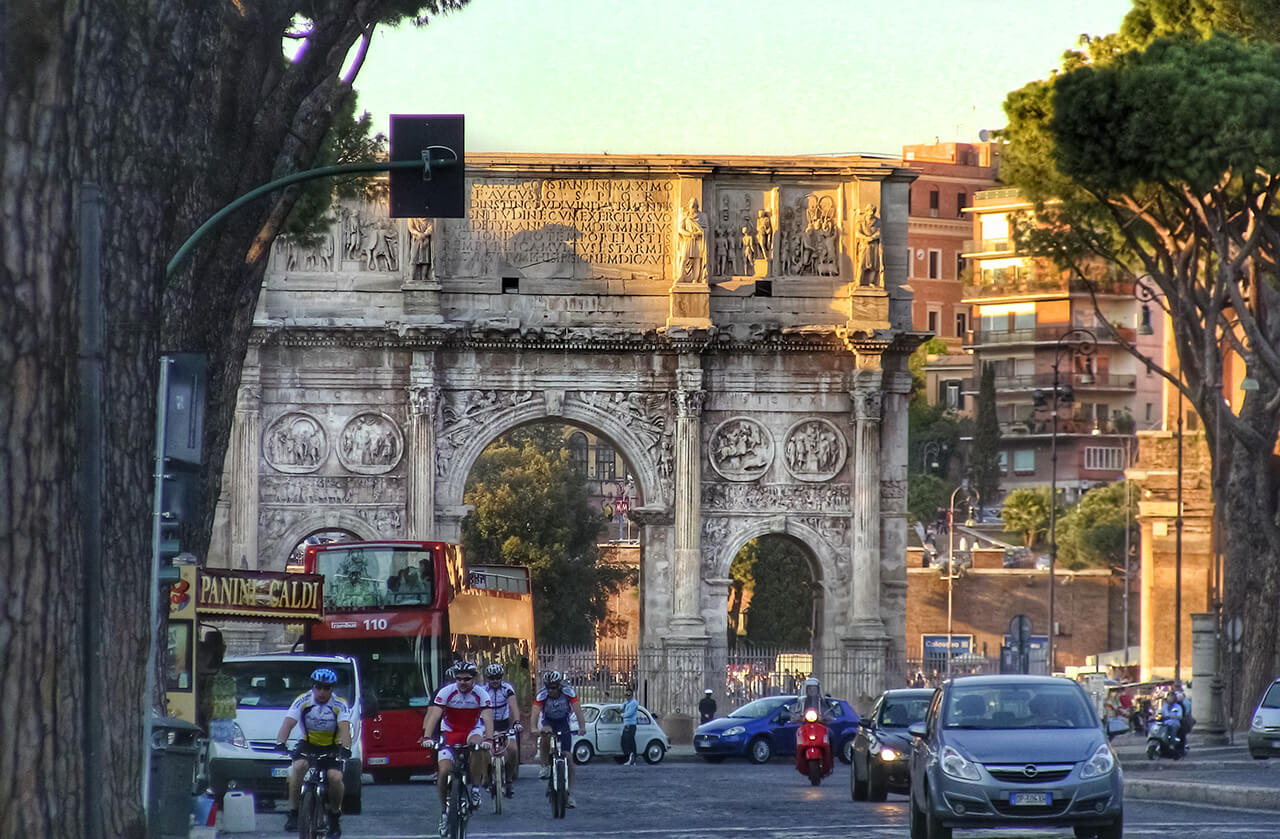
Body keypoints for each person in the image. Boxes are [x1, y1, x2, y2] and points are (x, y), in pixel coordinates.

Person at [275, 667, 352, 838]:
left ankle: (334, 816)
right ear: (313, 686)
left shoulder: (339, 704)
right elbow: (288, 723)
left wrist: (346, 748)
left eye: (327, 688)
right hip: (308, 744)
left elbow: (345, 729)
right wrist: (281, 742)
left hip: (332, 746)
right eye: (319, 687)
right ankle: (294, 813)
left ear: (332, 689)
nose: (322, 691)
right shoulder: (303, 701)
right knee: (298, 768)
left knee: (335, 777)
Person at [421, 661, 494, 837]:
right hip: (451, 732)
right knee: (444, 770)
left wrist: (489, 739)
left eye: (467, 679)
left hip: (472, 730)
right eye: (459, 679)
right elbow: (435, 715)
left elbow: (487, 718)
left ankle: (475, 788)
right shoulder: (447, 692)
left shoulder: (481, 694)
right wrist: (427, 737)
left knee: (477, 746)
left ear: (474, 679)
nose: (462, 682)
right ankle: (445, 813)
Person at [535, 670, 586, 808]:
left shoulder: (569, 692)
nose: (550, 690)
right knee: (546, 733)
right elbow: (535, 714)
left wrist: (582, 726)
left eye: (553, 687)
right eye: (548, 687)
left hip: (563, 722)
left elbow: (578, 710)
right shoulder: (542, 695)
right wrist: (535, 728)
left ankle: (568, 792)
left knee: (568, 758)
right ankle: (545, 765)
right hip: (548, 721)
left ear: (559, 686)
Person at [484, 663, 522, 796]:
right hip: (488, 724)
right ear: (487, 678)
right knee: (483, 750)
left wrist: (516, 722)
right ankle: (487, 776)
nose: (495, 680)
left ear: (501, 677)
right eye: (492, 678)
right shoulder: (483, 690)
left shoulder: (507, 688)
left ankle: (509, 778)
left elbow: (513, 706)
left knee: (513, 750)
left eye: (497, 677)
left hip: (504, 724)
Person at [621, 686, 639, 766]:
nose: (627, 697)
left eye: (628, 695)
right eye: (626, 695)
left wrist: (622, 715)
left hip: (631, 725)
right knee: (625, 742)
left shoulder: (634, 703)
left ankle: (632, 758)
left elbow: (629, 714)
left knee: (629, 743)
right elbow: (621, 706)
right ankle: (630, 758)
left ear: (632, 695)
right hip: (627, 725)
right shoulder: (627, 702)